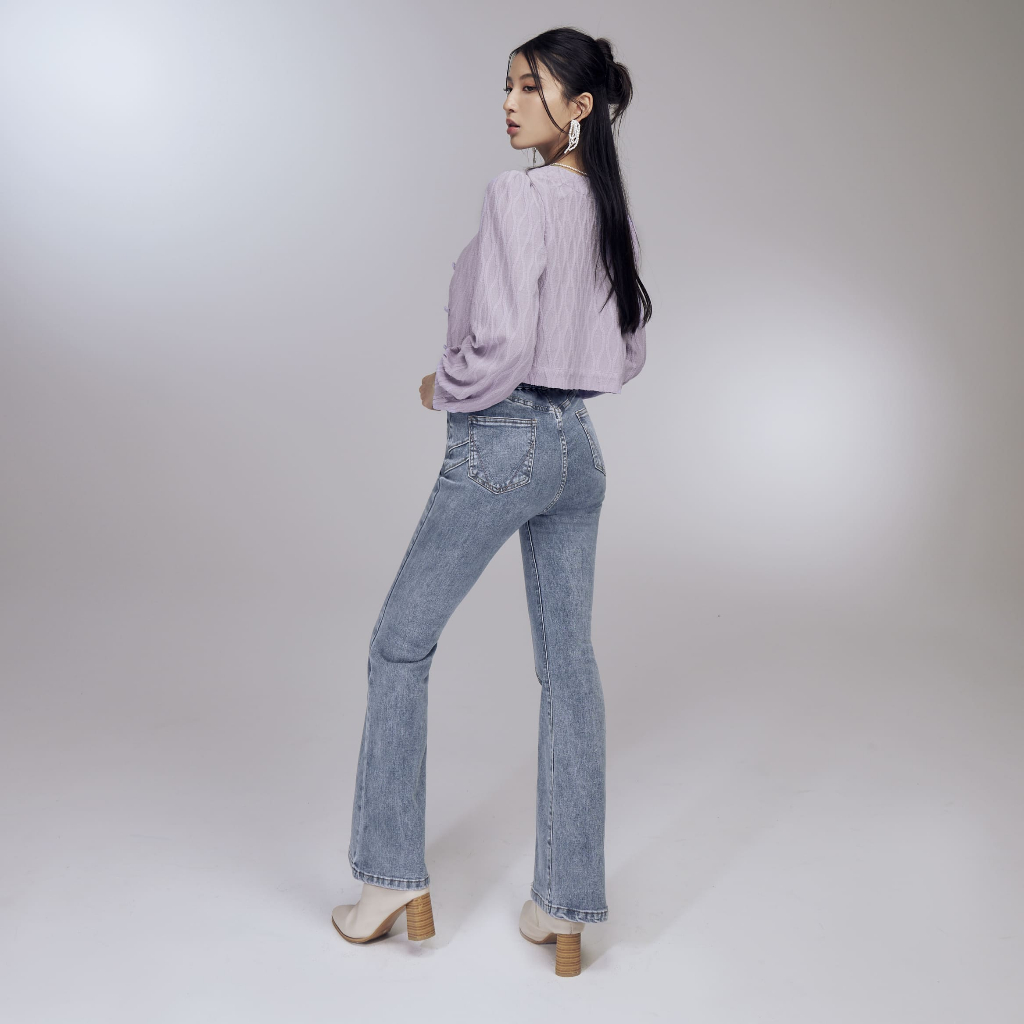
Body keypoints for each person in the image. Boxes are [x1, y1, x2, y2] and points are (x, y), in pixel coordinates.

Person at [332, 27, 651, 977]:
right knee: (570, 670)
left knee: (399, 645)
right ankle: (565, 906)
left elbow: (503, 341)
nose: (509, 103)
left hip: (502, 440)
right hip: (578, 451)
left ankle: (389, 879)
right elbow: (628, 348)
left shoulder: (519, 194)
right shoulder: (609, 207)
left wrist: (448, 385)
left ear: (580, 107)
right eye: (506, 85)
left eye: (530, 87)